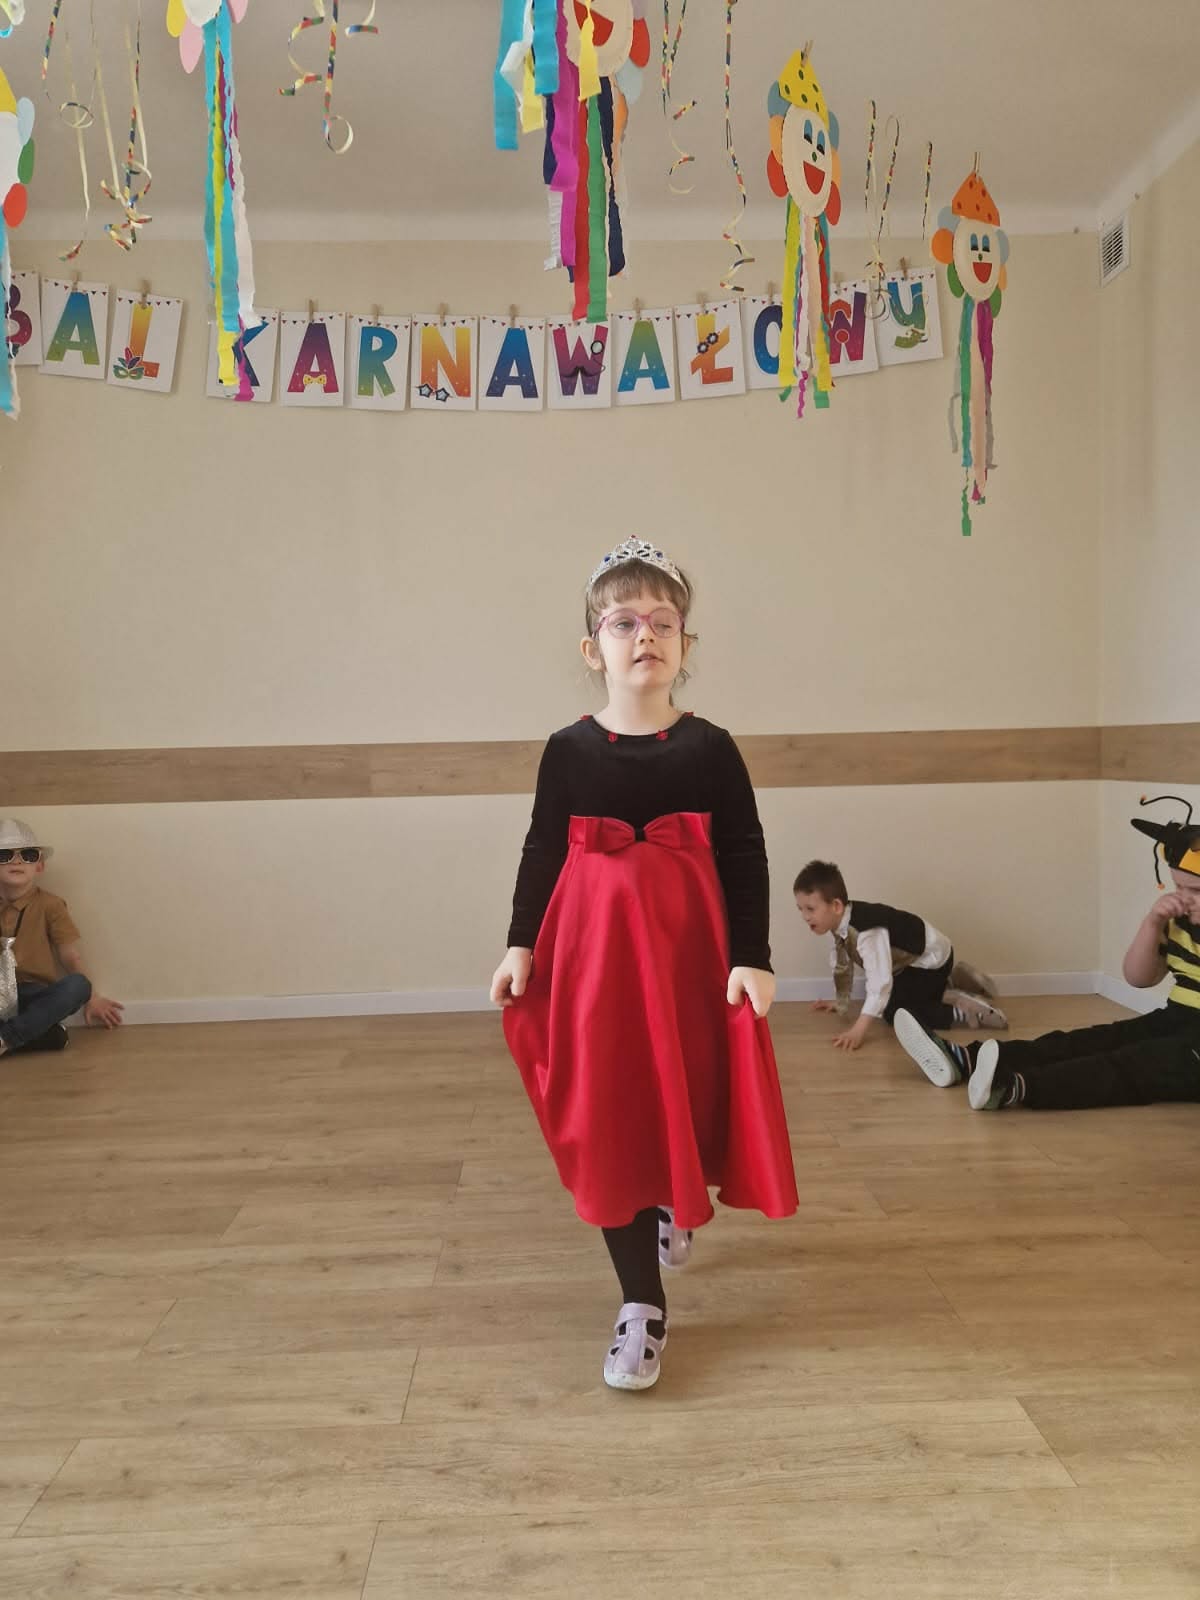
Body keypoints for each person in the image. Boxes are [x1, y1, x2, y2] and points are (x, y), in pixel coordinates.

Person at [490, 538, 797, 1392]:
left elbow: (744, 853)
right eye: (624, 622)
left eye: (663, 622)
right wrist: (520, 943)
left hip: (687, 964)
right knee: (614, 1109)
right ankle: (641, 1302)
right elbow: (542, 849)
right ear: (594, 649)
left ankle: (675, 1198)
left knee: (682, 1091)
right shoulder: (568, 750)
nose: (645, 635)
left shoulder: (711, 748)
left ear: (685, 645)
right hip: (598, 968)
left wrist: (753, 955)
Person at [894, 795, 1200, 1109]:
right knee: (1096, 1040)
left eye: (1196, 890)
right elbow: (1138, 978)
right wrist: (1152, 923)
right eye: (1178, 887)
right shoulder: (1176, 921)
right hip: (1179, 1016)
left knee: (1134, 1065)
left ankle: (1016, 1087)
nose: (1184, 898)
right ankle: (966, 1059)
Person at [793, 859, 1005, 1053]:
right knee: (891, 1000)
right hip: (915, 963)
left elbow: (880, 983)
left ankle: (966, 1011)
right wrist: (840, 1002)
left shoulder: (867, 932)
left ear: (836, 906)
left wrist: (858, 1030)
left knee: (895, 1012)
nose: (805, 916)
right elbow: (842, 963)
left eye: (810, 908)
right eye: (800, 909)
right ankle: (949, 981)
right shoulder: (842, 923)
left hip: (932, 962)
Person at [0, 818, 123, 1057]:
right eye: (5, 855)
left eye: (28, 855)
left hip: (33, 993)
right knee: (55, 1037)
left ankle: (6, 1038)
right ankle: (34, 1033)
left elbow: (69, 955)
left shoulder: (51, 905)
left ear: (39, 866)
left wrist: (93, 998)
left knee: (79, 986)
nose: (17, 861)